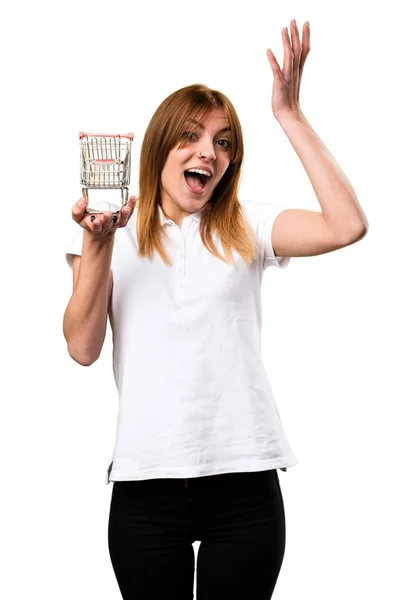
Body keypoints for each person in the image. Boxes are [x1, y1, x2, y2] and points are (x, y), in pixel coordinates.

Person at [63, 20, 368, 600]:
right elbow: (80, 348)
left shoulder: (246, 225)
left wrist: (290, 115)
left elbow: (347, 225)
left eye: (223, 142)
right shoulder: (112, 237)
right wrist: (98, 244)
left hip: (244, 480)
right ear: (159, 147)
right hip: (144, 484)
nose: (209, 152)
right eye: (192, 137)